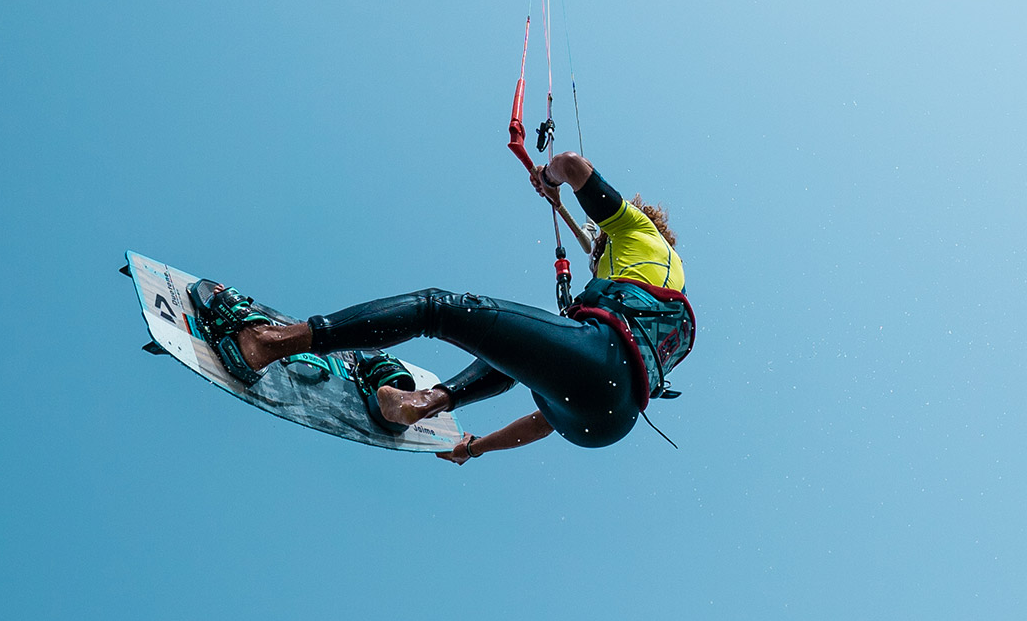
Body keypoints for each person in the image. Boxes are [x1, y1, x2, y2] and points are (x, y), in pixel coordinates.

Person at [190, 154, 694, 464]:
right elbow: (545, 423)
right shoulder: (660, 312)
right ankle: (418, 404)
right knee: (517, 357)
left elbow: (572, 164)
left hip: (599, 362)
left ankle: (264, 343)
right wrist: (476, 448)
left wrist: (548, 176)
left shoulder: (637, 234)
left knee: (438, 308)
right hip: (606, 423)